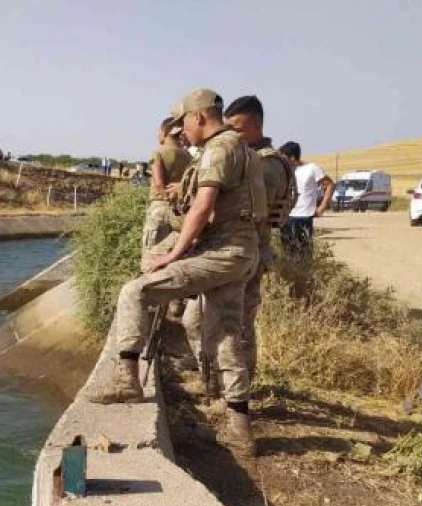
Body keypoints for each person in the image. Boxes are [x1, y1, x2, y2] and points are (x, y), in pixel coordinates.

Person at [86, 88, 265, 457]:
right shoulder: (244, 149)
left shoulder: (219, 148)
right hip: (242, 252)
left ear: (198, 117)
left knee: (136, 292)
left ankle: (127, 380)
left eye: (185, 121)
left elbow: (203, 205)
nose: (184, 130)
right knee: (226, 333)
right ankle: (239, 429)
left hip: (222, 252)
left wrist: (175, 254)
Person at [183, 95, 293, 393]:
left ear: (255, 125)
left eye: (237, 128)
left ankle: (238, 391)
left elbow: (252, 213)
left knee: (237, 327)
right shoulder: (243, 155)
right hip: (227, 252)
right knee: (198, 320)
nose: (229, 133)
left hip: (246, 254)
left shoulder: (266, 162)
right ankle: (214, 382)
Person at [142, 117, 192, 257]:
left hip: (160, 207)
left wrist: (166, 199)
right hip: (180, 209)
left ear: (165, 132)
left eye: (158, 132)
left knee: (151, 253)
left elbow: (159, 183)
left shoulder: (159, 152)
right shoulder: (187, 155)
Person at [279, 141, 332, 257]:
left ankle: (304, 274)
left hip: (304, 217)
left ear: (292, 158)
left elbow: (329, 184)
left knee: (304, 253)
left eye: (284, 158)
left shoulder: (312, 168)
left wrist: (322, 208)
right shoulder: (284, 171)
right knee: (287, 253)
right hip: (286, 217)